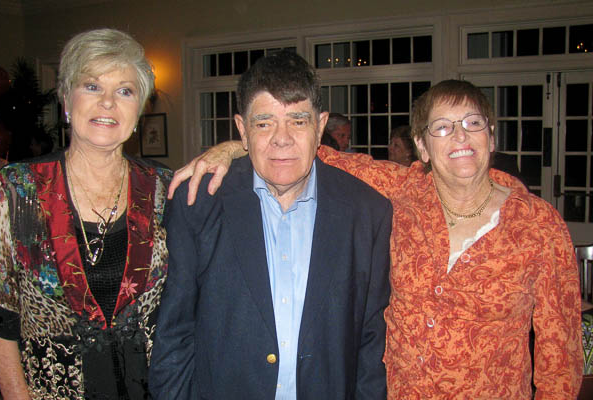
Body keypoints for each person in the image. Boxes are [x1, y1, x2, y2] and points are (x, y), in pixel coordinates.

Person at [171, 79, 583, 399]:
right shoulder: (400, 193)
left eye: (472, 123)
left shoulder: (538, 226)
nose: (460, 137)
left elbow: (560, 362)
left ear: (491, 137)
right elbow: (302, 150)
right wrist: (232, 148)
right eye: (442, 127)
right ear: (422, 146)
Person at [149, 50, 392, 399]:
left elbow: (370, 342)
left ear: (320, 126)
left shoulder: (367, 212)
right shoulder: (199, 203)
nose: (282, 138)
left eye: (298, 121)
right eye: (263, 123)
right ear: (242, 130)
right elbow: (174, 335)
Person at [0, 29, 172, 399]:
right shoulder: (17, 190)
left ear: (139, 110)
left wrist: (230, 150)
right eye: (92, 86)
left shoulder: (164, 190)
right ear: (66, 99)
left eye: (125, 91)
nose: (107, 102)